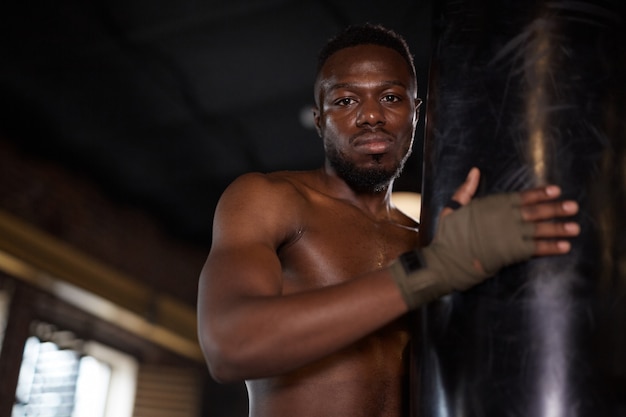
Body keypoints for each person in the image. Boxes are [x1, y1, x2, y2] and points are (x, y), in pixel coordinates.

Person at [196, 24, 580, 417]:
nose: (372, 115)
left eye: (391, 97)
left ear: (417, 115)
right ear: (318, 120)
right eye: (346, 101)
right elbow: (230, 346)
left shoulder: (436, 243)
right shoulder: (270, 200)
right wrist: (433, 269)